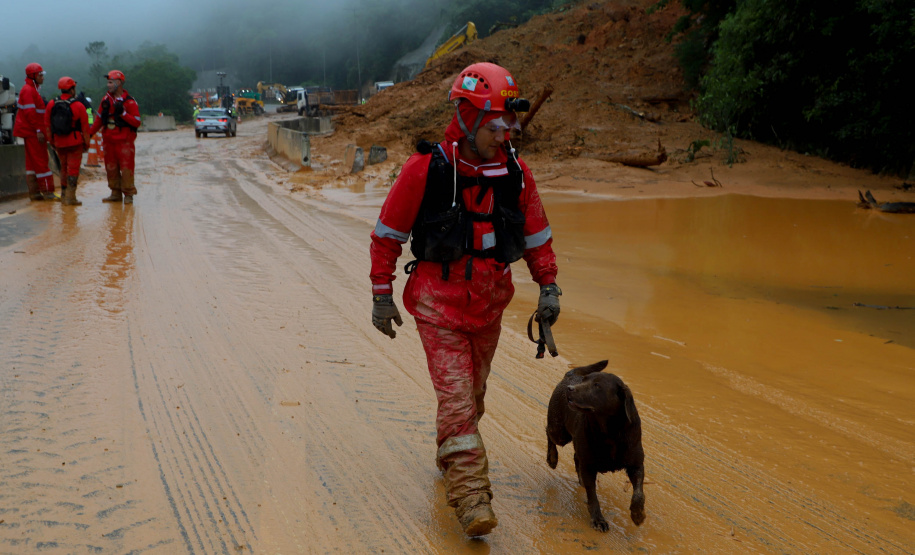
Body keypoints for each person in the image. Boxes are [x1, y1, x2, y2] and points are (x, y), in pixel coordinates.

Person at [368, 62, 561, 537]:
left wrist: (549, 285)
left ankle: (452, 448)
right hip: (437, 305)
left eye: (509, 124)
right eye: (498, 125)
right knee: (456, 400)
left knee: (472, 398)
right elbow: (386, 236)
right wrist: (381, 294)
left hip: (489, 306)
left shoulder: (516, 173)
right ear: (468, 115)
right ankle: (472, 498)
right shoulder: (425, 169)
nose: (507, 133)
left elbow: (537, 235)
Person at [89, 69, 141, 204]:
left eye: (111, 82)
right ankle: (115, 193)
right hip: (108, 141)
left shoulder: (129, 102)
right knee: (111, 168)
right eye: (108, 83)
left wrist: (123, 114)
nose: (108, 85)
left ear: (119, 82)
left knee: (126, 168)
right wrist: (88, 134)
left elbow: (137, 121)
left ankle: (128, 195)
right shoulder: (105, 100)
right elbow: (99, 120)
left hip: (124, 142)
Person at [12, 63, 57, 201]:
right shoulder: (29, 90)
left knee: (32, 164)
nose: (42, 77)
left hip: (31, 131)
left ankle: (35, 192)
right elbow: (31, 114)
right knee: (40, 161)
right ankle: (47, 191)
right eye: (40, 75)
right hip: (33, 132)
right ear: (33, 76)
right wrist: (39, 130)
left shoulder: (31, 90)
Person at [45, 76, 90, 206]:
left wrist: (52, 141)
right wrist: (86, 144)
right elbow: (85, 128)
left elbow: (47, 125)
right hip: (75, 143)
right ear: (72, 89)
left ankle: (64, 196)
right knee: (73, 169)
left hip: (59, 142)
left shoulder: (52, 104)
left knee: (63, 168)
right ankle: (71, 197)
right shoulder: (78, 105)